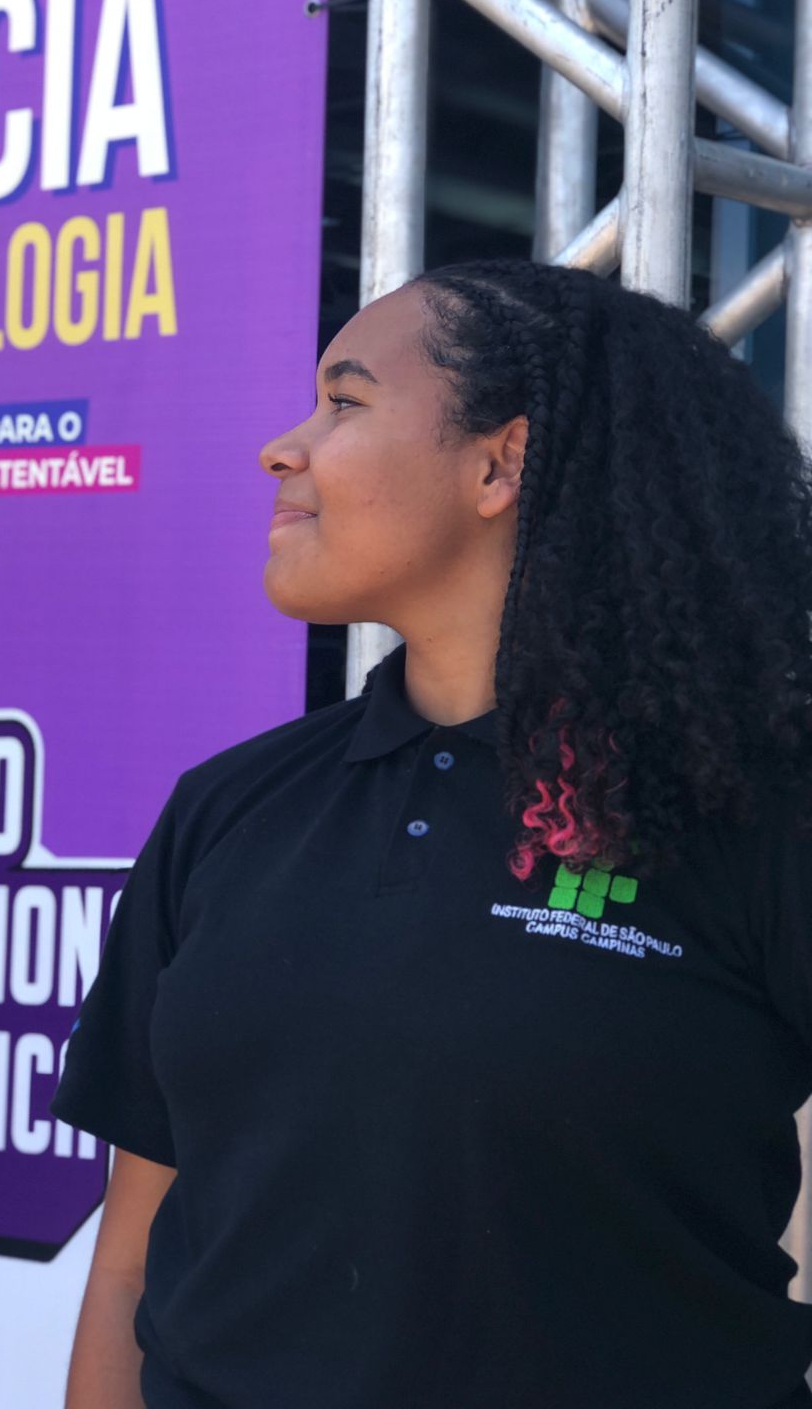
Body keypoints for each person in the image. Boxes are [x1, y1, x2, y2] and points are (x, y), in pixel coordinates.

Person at [49, 258, 812, 1409]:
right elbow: (127, 1270)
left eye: (344, 402)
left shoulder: (754, 813)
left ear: (500, 463)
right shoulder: (228, 808)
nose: (283, 449)